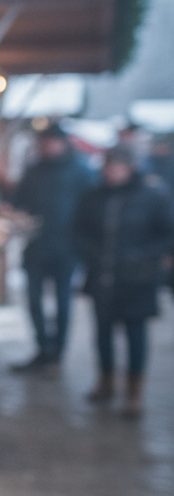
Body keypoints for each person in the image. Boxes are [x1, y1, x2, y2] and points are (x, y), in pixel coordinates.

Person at [72, 145, 174, 417]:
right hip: (102, 275)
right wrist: (91, 254)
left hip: (137, 280)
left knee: (135, 335)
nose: (113, 173)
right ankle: (105, 381)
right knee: (102, 333)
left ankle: (134, 393)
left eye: (118, 168)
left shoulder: (153, 197)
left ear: (130, 169)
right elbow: (79, 230)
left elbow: (167, 234)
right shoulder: (94, 197)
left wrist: (143, 257)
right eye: (109, 168)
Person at [6, 122, 97, 371]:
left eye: (50, 142)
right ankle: (42, 348)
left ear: (62, 142)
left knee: (63, 302)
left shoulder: (82, 171)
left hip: (67, 249)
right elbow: (20, 201)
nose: (46, 147)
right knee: (33, 300)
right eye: (42, 142)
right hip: (37, 246)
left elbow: (92, 209)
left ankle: (58, 353)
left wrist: (83, 244)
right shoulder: (35, 170)